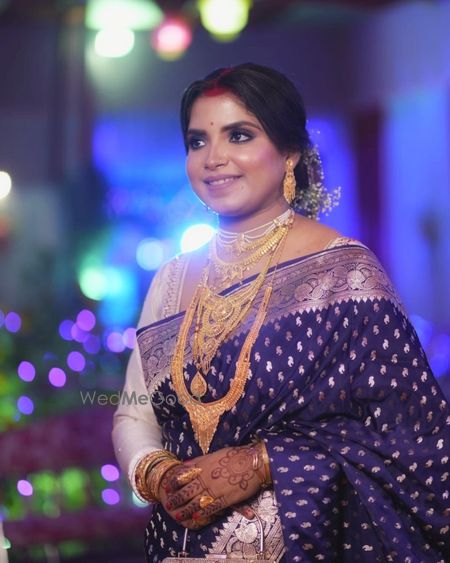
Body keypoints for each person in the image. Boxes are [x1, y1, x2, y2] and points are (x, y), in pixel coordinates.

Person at [112, 63, 450, 562]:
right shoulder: (170, 279)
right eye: (198, 141)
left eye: (239, 135)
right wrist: (159, 474)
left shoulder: (344, 273)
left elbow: (415, 442)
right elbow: (134, 411)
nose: (214, 158)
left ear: (289, 151)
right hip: (177, 546)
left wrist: (262, 462)